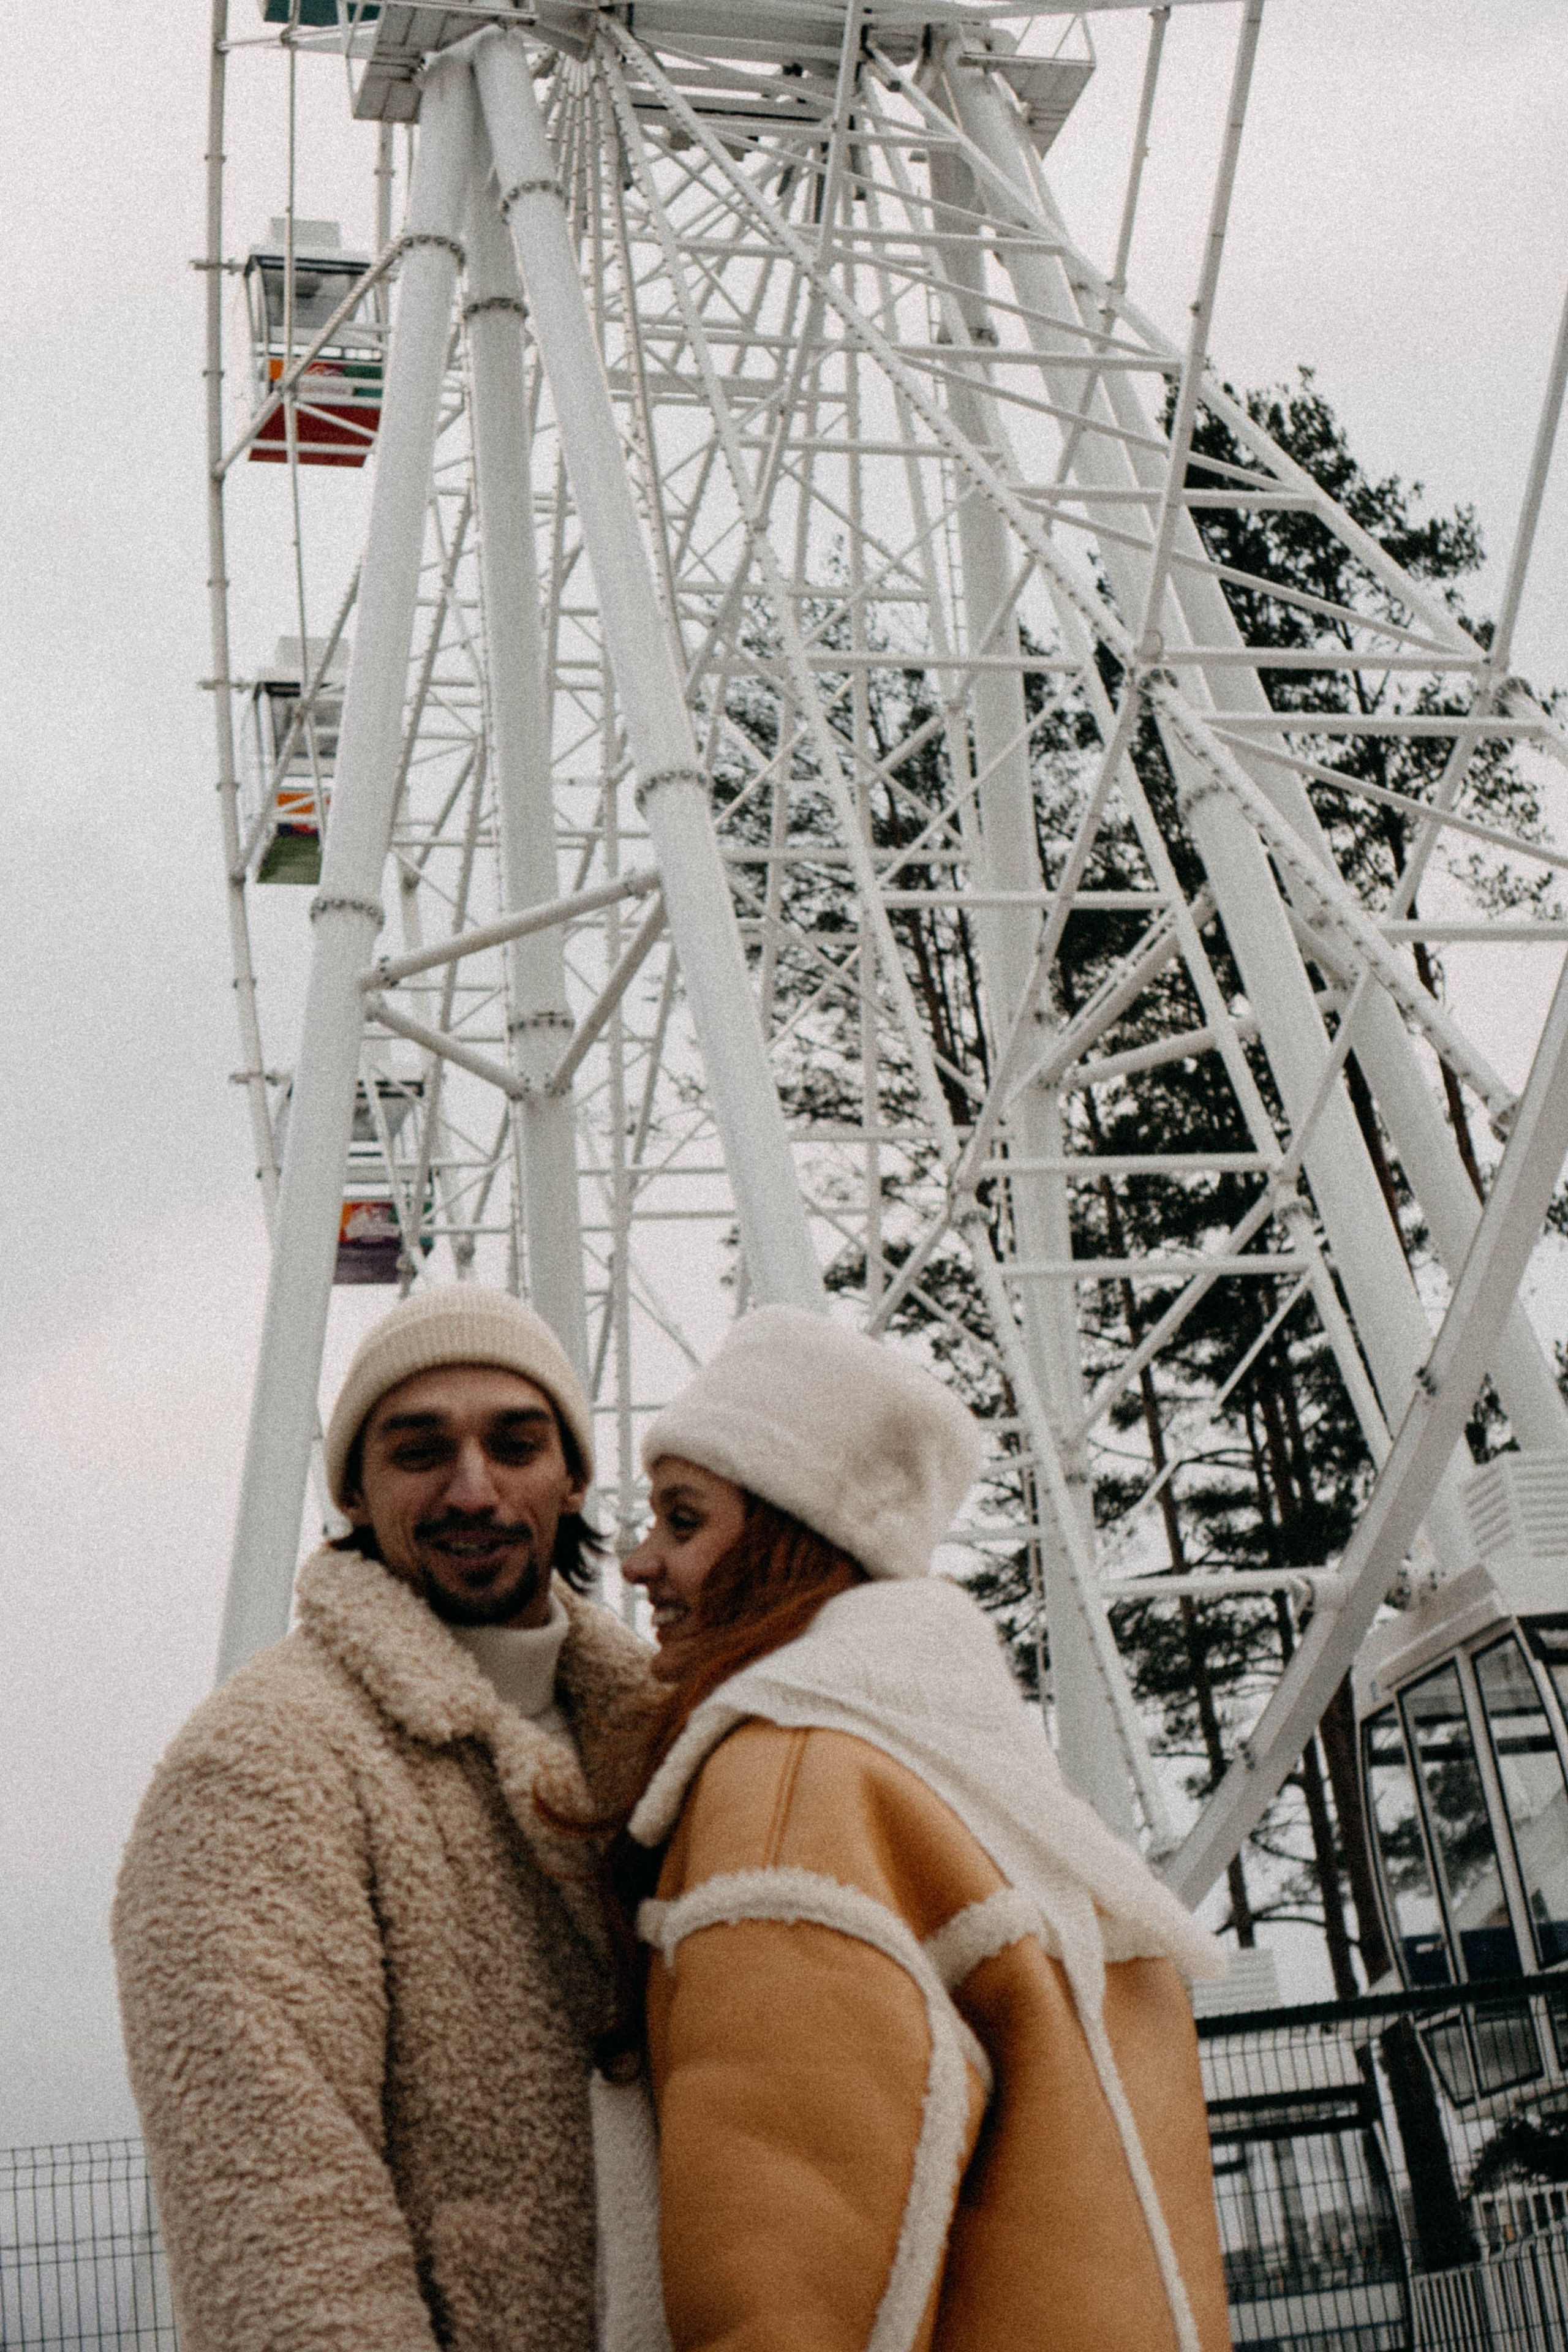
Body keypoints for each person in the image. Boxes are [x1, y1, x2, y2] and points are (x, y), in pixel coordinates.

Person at [595, 1303, 1232, 2352]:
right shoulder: (991, 1789)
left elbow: (787, 2300)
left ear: (794, 1540)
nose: (637, 1563)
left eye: (683, 1519)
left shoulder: (787, 1791)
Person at [112, 1287, 657, 2352]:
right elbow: (280, 2230)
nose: (474, 1488)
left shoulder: (672, 1745)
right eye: (419, 1452)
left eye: (516, 1444)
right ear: (355, 1493)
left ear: (575, 1476)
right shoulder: (262, 1763)